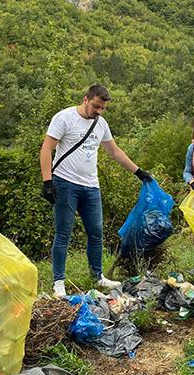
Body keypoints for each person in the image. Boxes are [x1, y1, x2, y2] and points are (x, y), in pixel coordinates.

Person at [39, 84, 153, 298]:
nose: (98, 112)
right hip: (65, 183)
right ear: (85, 100)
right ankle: (59, 282)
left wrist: (138, 172)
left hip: (91, 186)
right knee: (64, 232)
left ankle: (97, 275)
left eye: (102, 108)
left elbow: (114, 151)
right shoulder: (64, 118)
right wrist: (47, 181)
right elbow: (46, 149)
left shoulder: (101, 124)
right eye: (95, 107)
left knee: (96, 232)